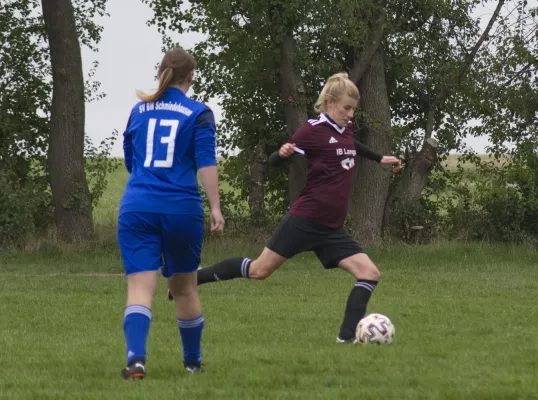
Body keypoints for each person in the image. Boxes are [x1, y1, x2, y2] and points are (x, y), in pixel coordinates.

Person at [174, 72, 401, 343]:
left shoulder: (346, 128)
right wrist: (280, 154)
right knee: (260, 271)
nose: (350, 115)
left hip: (332, 228)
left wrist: (379, 158)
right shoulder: (313, 129)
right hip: (304, 220)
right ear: (330, 102)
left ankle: (346, 340)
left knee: (370, 273)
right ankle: (194, 279)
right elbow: (275, 159)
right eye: (346, 108)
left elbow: (350, 144)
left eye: (353, 109)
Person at [118, 46, 224, 379]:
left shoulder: (139, 110)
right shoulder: (199, 113)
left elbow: (130, 160)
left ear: (161, 71)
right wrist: (216, 207)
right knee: (185, 288)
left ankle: (136, 359)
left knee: (139, 288)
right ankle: (192, 364)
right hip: (181, 208)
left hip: (137, 206)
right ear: (191, 76)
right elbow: (206, 161)